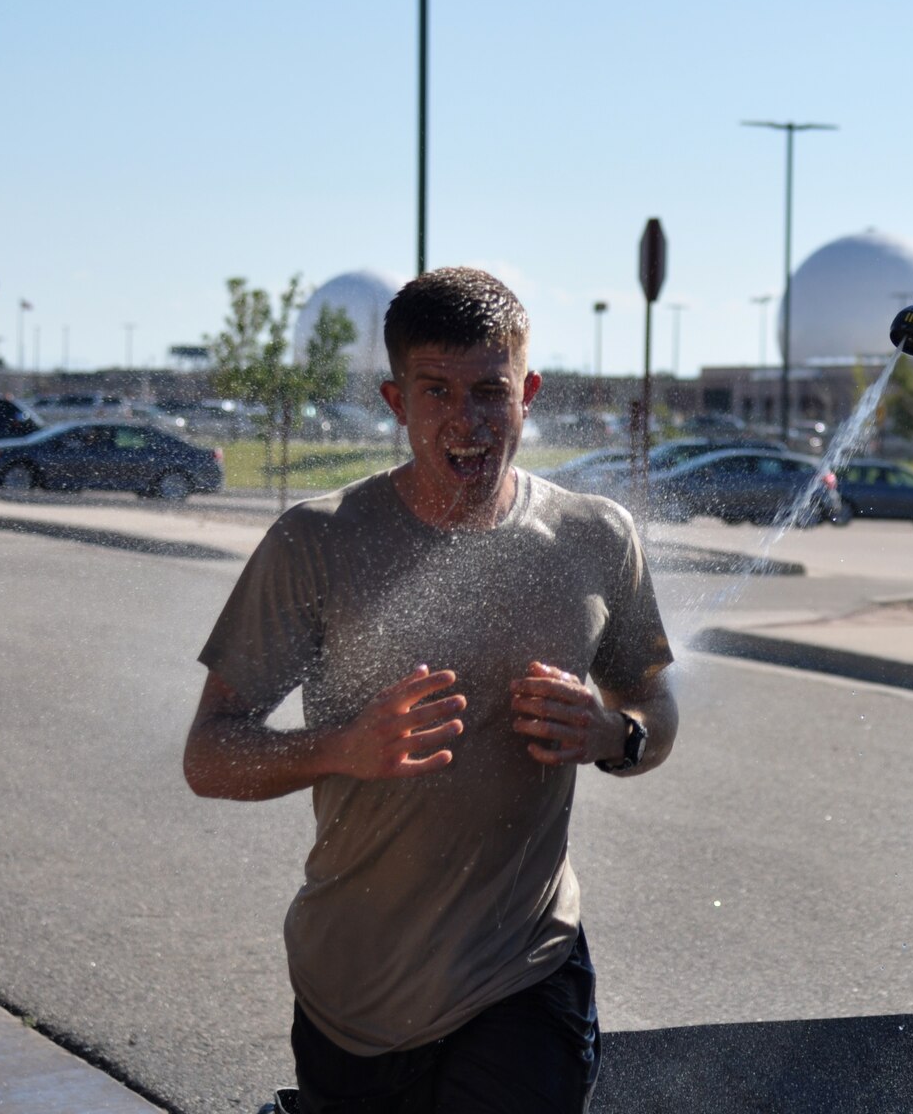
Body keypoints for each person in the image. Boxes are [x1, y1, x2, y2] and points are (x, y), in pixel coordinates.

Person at [184, 267, 677, 1111]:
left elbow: (653, 710)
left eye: (491, 391)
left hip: (528, 966)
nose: (468, 420)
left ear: (528, 393)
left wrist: (612, 737)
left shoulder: (595, 537)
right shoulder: (317, 541)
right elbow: (208, 756)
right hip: (355, 992)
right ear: (395, 401)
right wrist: (343, 748)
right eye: (437, 391)